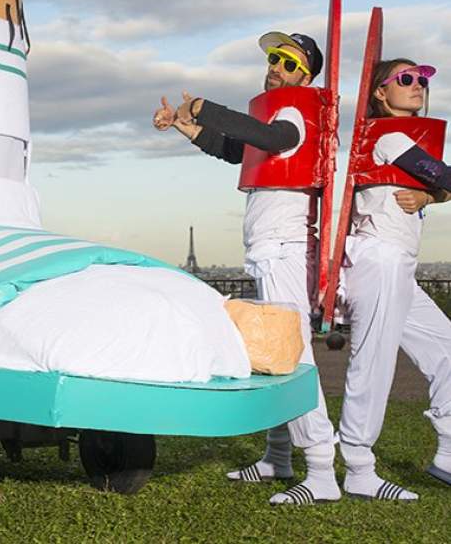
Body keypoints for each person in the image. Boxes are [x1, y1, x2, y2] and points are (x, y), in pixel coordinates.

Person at [152, 32, 342, 505]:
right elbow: (236, 150)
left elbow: (273, 138)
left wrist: (204, 108)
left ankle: (322, 470)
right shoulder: (276, 114)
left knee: (293, 355)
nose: (276, 66)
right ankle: (278, 456)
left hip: (283, 248)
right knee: (273, 350)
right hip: (269, 247)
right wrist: (186, 126)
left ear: (307, 77)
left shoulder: (293, 114)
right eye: (275, 58)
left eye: (290, 63)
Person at [338, 59, 451, 500]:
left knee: (446, 349)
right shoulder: (389, 135)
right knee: (374, 363)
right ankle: (359, 467)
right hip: (379, 257)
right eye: (406, 79)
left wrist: (428, 196)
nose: (417, 85)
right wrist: (436, 190)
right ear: (381, 93)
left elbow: (439, 183)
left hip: (398, 263)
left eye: (421, 79)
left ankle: (448, 451)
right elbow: (443, 176)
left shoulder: (405, 141)